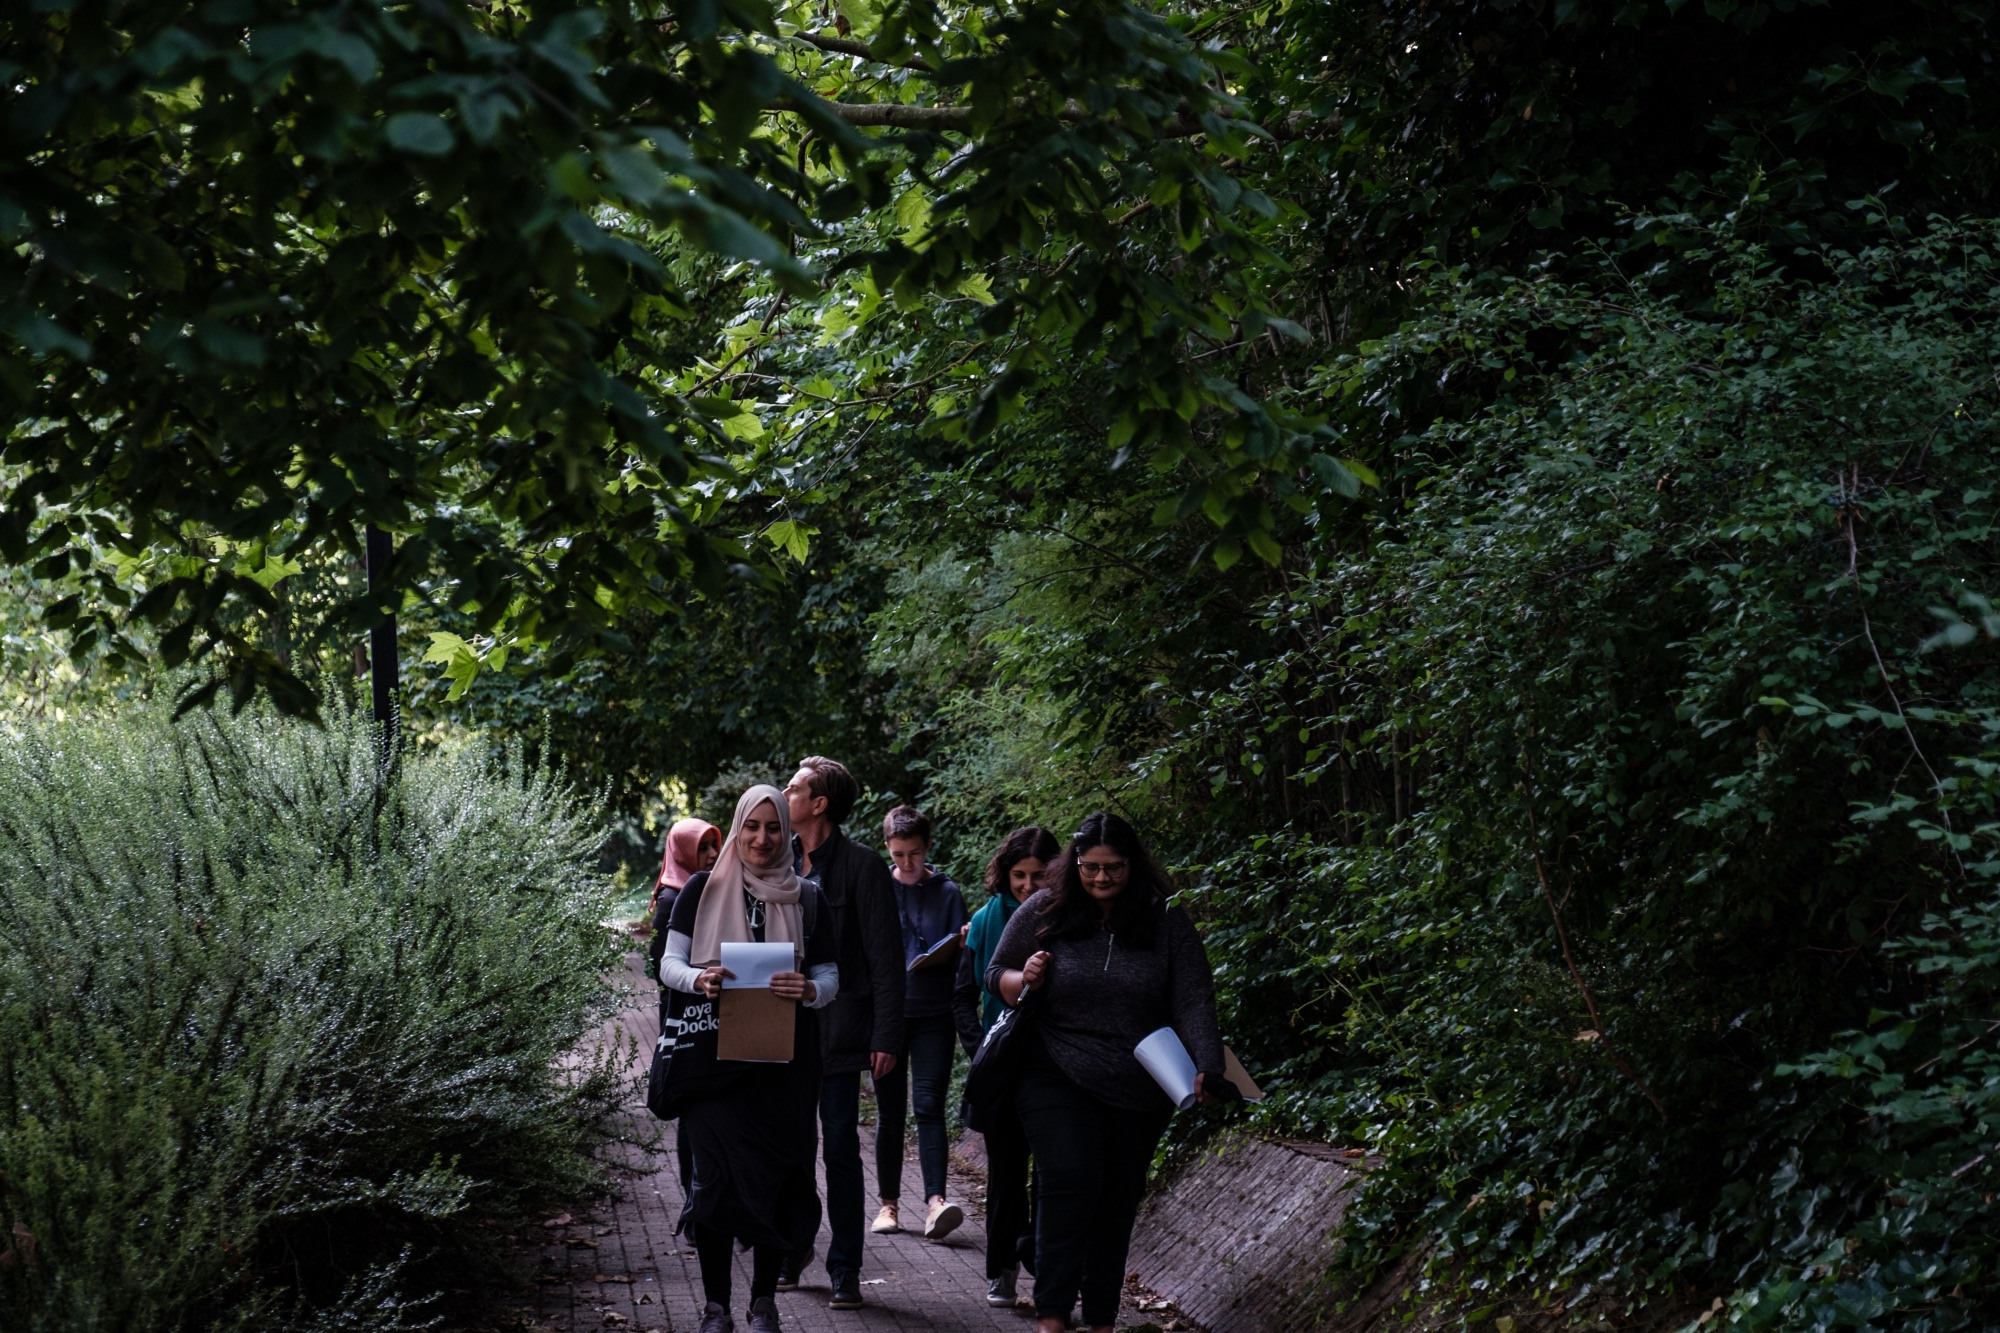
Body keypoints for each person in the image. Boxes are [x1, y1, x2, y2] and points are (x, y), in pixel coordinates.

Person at [986, 812, 1227, 1333]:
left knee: (1116, 1198)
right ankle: (1051, 1315)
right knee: (1068, 1179)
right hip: (1053, 1068)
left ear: (1132, 866)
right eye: (1089, 868)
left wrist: (1209, 1063)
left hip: (1139, 1080)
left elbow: (1192, 1000)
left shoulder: (1166, 921)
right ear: (1072, 865)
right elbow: (993, 974)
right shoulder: (1043, 910)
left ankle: (1099, 1320)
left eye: (1112, 869)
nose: (1099, 879)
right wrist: (1022, 978)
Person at [658, 786, 838, 1333]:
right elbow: (669, 963)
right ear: (739, 828)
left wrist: (808, 989)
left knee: (776, 1183)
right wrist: (699, 978)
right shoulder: (699, 889)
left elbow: (832, 976)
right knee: (712, 1184)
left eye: (774, 827)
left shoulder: (807, 898)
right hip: (712, 1066)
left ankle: (763, 1302)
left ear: (788, 832)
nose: (763, 838)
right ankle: (717, 1307)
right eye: (753, 826)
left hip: (783, 1069)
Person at [779, 756, 905, 1311]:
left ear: (819, 803)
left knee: (840, 1149)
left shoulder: (862, 867)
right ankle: (794, 1245)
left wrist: (888, 1034)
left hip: (839, 1031)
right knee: (790, 1147)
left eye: (794, 787)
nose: (785, 793)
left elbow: (885, 958)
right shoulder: (776, 860)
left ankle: (845, 1268)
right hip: (779, 1029)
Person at [952, 825, 1059, 1307]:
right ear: (1005, 873)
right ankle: (1002, 1270)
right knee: (1007, 1174)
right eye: (1020, 875)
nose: (1029, 886)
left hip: (1056, 1064)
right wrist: (981, 1050)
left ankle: (1044, 1265)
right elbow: (962, 998)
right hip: (1002, 1065)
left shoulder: (1068, 919)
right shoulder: (983, 920)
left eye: (1039, 875)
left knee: (1054, 1172)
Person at [874, 804, 970, 1242]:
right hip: (890, 1014)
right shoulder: (878, 888)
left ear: (928, 847)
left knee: (929, 1106)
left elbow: (958, 953)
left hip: (934, 1011)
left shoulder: (948, 892)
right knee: (890, 1112)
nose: (907, 863)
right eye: (898, 855)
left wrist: (962, 943)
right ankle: (888, 1205)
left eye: (914, 853)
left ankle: (935, 1203)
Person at [648, 817, 721, 980]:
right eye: (702, 848)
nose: (714, 854)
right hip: (684, 997)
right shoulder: (671, 899)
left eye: (714, 845)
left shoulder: (712, 889)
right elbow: (660, 963)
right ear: (683, 854)